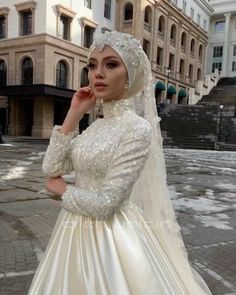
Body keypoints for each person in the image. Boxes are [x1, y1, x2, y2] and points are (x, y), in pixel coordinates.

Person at [28, 31, 212, 295]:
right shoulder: (95, 126)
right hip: (71, 232)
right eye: (92, 66)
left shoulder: (137, 130)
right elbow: (51, 168)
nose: (97, 73)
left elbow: (106, 204)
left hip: (112, 237)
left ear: (130, 75)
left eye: (111, 64)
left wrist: (61, 189)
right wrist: (74, 113)